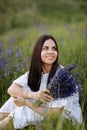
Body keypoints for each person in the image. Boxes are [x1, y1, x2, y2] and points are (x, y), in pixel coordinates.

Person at [0, 35, 82, 129]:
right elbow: (11, 89)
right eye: (45, 48)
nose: (51, 52)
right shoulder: (35, 73)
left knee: (24, 109)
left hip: (67, 120)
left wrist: (26, 103)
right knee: (13, 100)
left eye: (54, 49)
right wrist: (33, 95)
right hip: (45, 109)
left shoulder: (63, 76)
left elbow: (57, 113)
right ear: (38, 52)